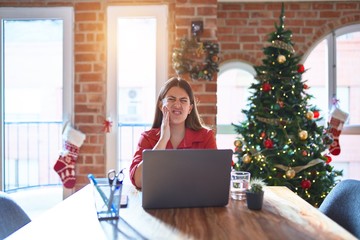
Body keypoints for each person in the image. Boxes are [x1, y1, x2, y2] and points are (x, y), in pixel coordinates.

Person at [129, 77, 217, 189]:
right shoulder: (147, 138)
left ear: (190, 109)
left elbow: (215, 178)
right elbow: (138, 181)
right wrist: (162, 140)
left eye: (183, 100)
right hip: (157, 203)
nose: (177, 105)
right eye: (171, 99)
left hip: (196, 203)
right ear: (161, 106)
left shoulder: (206, 136)